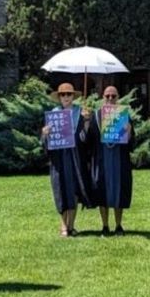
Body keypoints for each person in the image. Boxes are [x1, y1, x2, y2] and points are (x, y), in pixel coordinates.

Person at [41, 82, 95, 237]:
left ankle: (71, 225)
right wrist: (45, 133)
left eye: (69, 94)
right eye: (63, 95)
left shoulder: (80, 113)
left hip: (76, 158)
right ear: (59, 97)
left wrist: (86, 122)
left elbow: (85, 140)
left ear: (73, 96)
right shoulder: (54, 114)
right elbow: (47, 141)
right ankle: (63, 226)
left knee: (74, 191)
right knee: (61, 189)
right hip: (59, 159)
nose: (66, 97)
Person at [93, 85, 134, 235]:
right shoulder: (96, 115)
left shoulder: (124, 115)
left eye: (113, 96)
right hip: (102, 161)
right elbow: (89, 139)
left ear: (118, 98)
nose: (110, 99)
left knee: (119, 192)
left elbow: (130, 142)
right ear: (102, 98)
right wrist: (85, 123)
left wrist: (128, 132)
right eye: (107, 96)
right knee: (102, 192)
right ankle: (105, 226)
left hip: (119, 161)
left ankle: (118, 225)